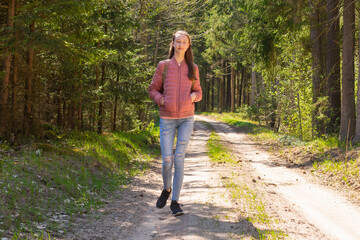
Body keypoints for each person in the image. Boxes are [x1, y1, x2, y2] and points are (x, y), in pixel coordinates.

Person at [148, 30, 202, 216]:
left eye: (184, 42)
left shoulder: (193, 68)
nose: (180, 45)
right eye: (177, 41)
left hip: (186, 119)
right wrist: (162, 100)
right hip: (167, 119)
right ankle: (166, 188)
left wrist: (194, 96)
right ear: (172, 44)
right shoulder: (163, 66)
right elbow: (153, 89)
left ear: (188, 45)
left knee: (179, 158)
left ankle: (175, 201)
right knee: (166, 160)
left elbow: (199, 91)